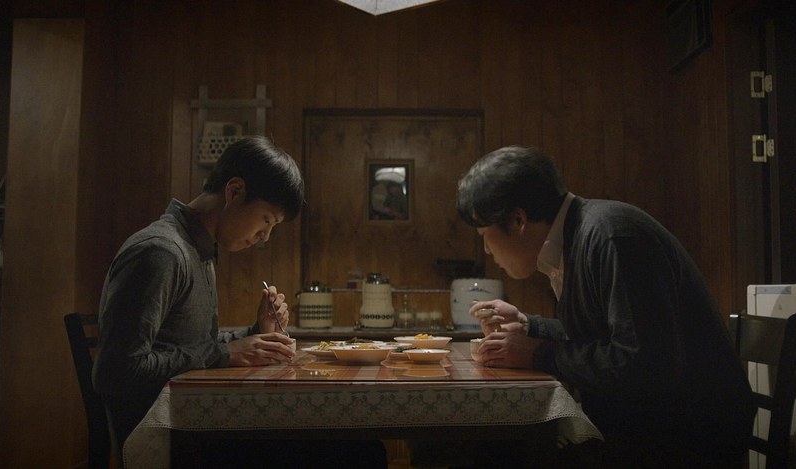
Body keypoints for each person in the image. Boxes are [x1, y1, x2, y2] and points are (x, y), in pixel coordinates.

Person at [92, 136, 386, 468]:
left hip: (195, 424)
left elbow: (186, 344)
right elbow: (115, 372)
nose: (264, 237)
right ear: (234, 191)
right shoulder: (161, 251)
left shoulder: (198, 251)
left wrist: (256, 332)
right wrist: (225, 353)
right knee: (361, 453)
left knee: (358, 445)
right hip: (169, 439)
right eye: (266, 220)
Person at [458, 145, 756, 468]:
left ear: (519, 220)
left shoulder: (612, 236)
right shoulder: (578, 234)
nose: (486, 249)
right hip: (649, 425)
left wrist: (539, 354)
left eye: (484, 234)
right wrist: (530, 326)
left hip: (688, 435)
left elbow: (642, 364)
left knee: (502, 452)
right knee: (496, 450)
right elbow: (604, 336)